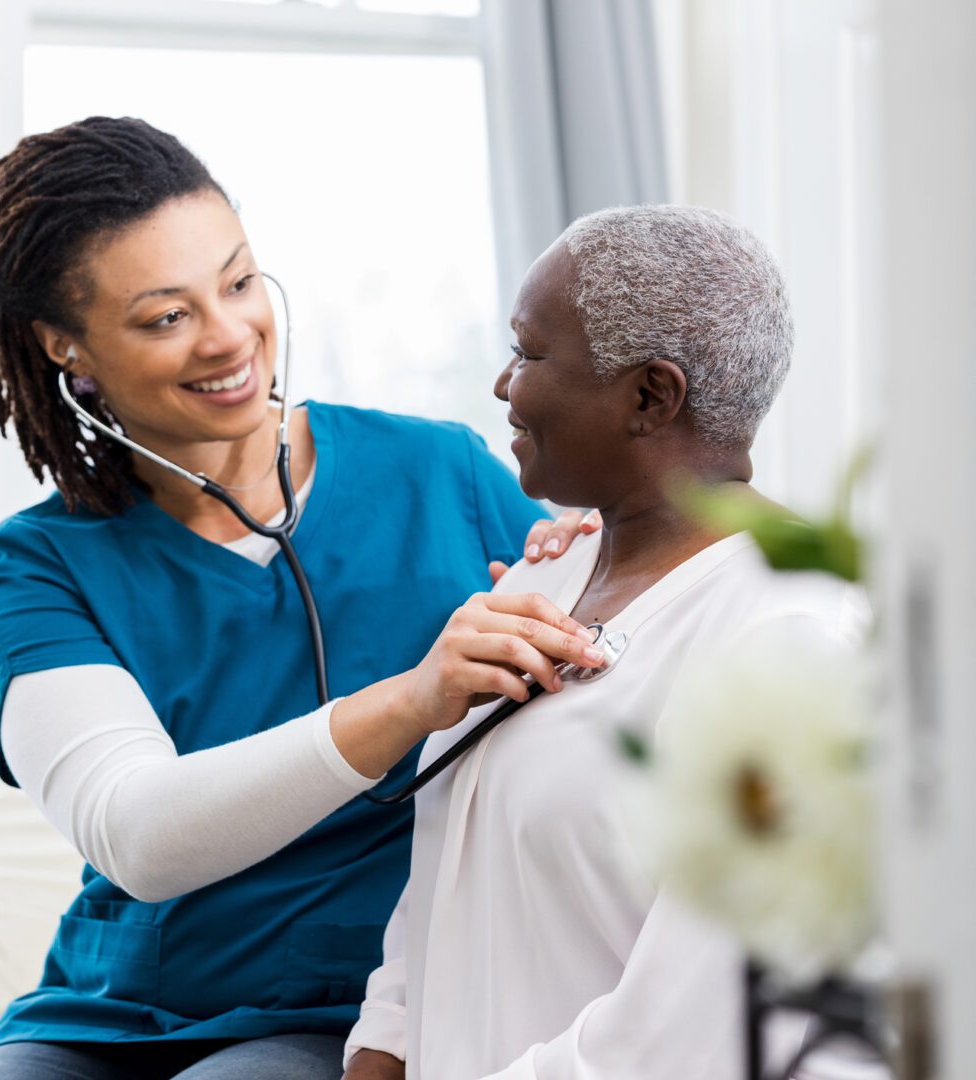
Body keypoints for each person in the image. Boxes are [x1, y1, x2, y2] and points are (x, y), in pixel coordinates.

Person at [0, 116, 601, 1080]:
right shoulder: (39, 565)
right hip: (108, 1017)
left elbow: (615, 680)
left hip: (348, 1008)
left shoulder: (442, 474)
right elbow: (140, 834)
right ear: (66, 347)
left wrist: (590, 572)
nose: (228, 337)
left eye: (239, 281)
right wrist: (412, 699)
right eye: (165, 316)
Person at [342, 205, 867, 1080]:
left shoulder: (794, 636)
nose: (505, 384)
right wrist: (379, 1057)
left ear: (649, 397)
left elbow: (685, 1033)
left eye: (531, 352)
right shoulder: (540, 580)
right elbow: (439, 896)